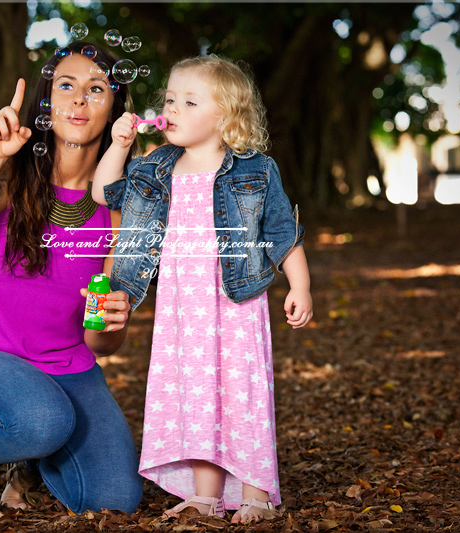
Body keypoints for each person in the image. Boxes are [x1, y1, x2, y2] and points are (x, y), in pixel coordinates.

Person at [0, 41, 143, 519]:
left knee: (115, 501)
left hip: (65, 369)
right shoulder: (0, 170)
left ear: (116, 110)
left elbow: (99, 342)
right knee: (42, 416)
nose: (79, 100)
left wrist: (113, 321)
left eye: (96, 88)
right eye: (65, 86)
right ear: (46, 100)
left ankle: (28, 457)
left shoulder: (121, 207)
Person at [92, 55, 313, 524]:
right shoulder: (157, 167)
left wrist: (300, 284)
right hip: (182, 311)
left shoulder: (253, 170)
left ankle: (256, 494)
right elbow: (106, 191)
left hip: (236, 303)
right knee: (195, 393)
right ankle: (205, 494)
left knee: (242, 391)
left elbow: (279, 231)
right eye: (170, 98)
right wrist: (118, 144)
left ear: (226, 117)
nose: (172, 108)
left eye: (189, 101)